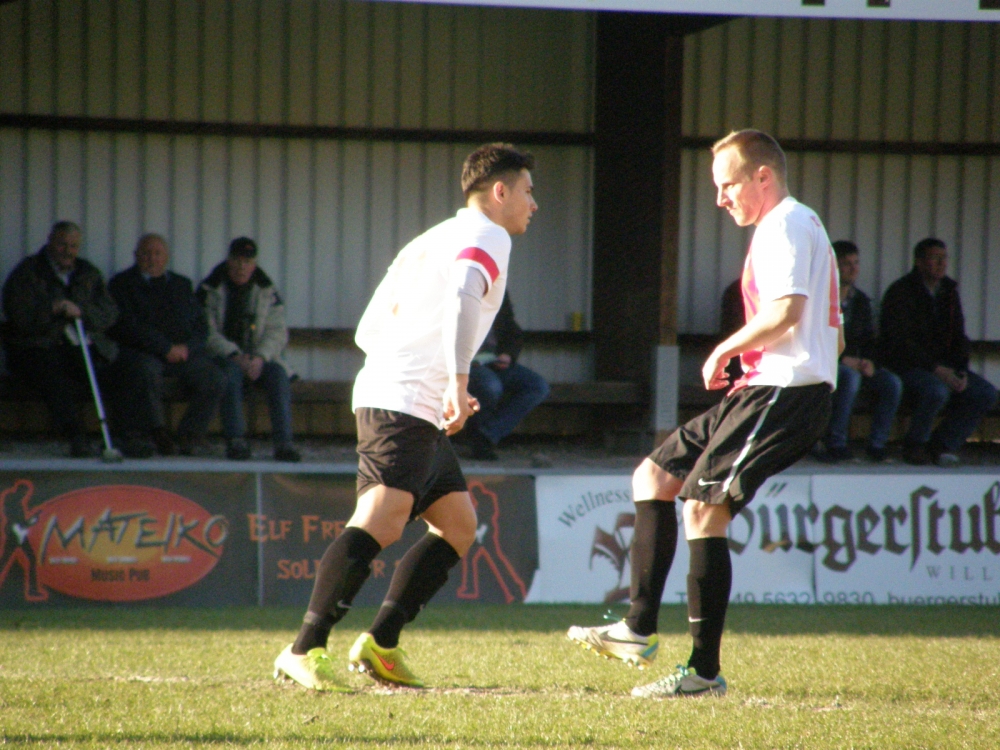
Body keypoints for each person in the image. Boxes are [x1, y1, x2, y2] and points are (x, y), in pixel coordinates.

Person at [567, 130, 841, 698]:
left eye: (727, 185)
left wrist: (724, 350)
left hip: (784, 390)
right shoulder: (800, 224)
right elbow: (832, 335)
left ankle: (702, 672)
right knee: (653, 477)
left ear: (762, 177)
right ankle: (637, 629)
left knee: (702, 509)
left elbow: (788, 311)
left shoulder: (786, 224)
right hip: (766, 387)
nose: (720, 199)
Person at [272, 143, 537, 691]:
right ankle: (303, 648)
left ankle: (380, 644)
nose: (534, 204)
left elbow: (368, 328)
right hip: (406, 399)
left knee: (459, 525)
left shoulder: (430, 238)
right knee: (381, 518)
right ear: (500, 191)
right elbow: (464, 296)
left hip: (404, 394)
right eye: (529, 191)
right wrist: (455, 382)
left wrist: (431, 379)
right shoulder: (489, 235)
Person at [1, 221, 138, 457]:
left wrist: (82, 311)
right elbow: (19, 315)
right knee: (54, 375)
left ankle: (126, 436)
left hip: (80, 344)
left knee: (120, 371)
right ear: (50, 242)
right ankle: (76, 436)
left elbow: (109, 313)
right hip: (37, 346)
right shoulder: (28, 272)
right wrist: (53, 308)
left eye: (73, 246)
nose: (68, 251)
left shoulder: (88, 273)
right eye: (62, 244)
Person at [879, 238, 997, 467]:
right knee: (936, 391)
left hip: (946, 367)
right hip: (909, 366)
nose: (942, 264)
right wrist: (936, 369)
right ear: (919, 261)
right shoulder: (901, 291)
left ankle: (943, 445)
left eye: (945, 258)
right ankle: (915, 444)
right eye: (935, 258)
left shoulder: (949, 292)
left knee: (985, 393)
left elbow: (959, 336)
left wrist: (960, 370)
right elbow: (900, 342)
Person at [108, 234, 227, 457]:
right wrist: (164, 348)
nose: (152, 259)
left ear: (166, 257)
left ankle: (189, 435)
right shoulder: (121, 284)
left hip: (182, 353)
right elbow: (127, 326)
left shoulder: (181, 285)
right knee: (145, 371)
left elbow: (201, 327)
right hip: (143, 352)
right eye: (146, 253)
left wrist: (187, 348)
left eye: (157, 253)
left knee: (215, 377)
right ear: (136, 256)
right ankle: (157, 433)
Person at [198, 238, 300, 462]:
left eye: (247, 261)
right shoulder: (209, 289)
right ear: (228, 261)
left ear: (254, 264)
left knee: (278, 375)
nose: (242, 266)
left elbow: (277, 332)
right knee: (230, 375)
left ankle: (284, 443)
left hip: (258, 359)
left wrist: (260, 357)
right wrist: (235, 355)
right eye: (237, 260)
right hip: (223, 357)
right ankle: (236, 440)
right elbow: (205, 332)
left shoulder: (267, 290)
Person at [820, 240, 903, 463]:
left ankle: (877, 445)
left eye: (856, 263)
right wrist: (842, 359)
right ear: (833, 265)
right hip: (826, 364)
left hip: (857, 363)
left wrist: (870, 361)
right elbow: (813, 338)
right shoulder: (819, 298)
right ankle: (836, 443)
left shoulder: (861, 301)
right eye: (846, 263)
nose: (853, 268)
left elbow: (870, 339)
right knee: (850, 378)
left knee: (891, 383)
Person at [458, 291, 549, 460]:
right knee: (491, 386)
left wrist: (508, 354)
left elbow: (512, 330)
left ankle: (487, 434)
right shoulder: (454, 291)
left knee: (537, 386)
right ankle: (477, 440)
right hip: (464, 364)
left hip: (493, 360)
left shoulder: (497, 290)